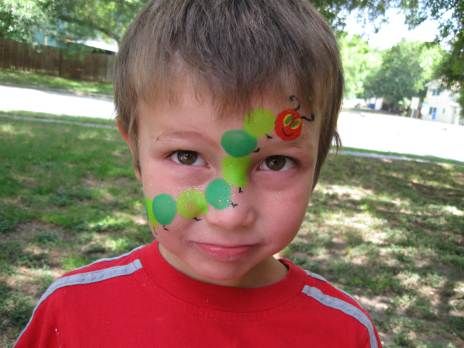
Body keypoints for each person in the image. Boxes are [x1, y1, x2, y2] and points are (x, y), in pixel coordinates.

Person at [16, 1, 382, 347]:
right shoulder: (73, 313)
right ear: (136, 153)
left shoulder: (344, 333)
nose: (230, 215)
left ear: (316, 163)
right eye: (187, 156)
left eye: (275, 163)